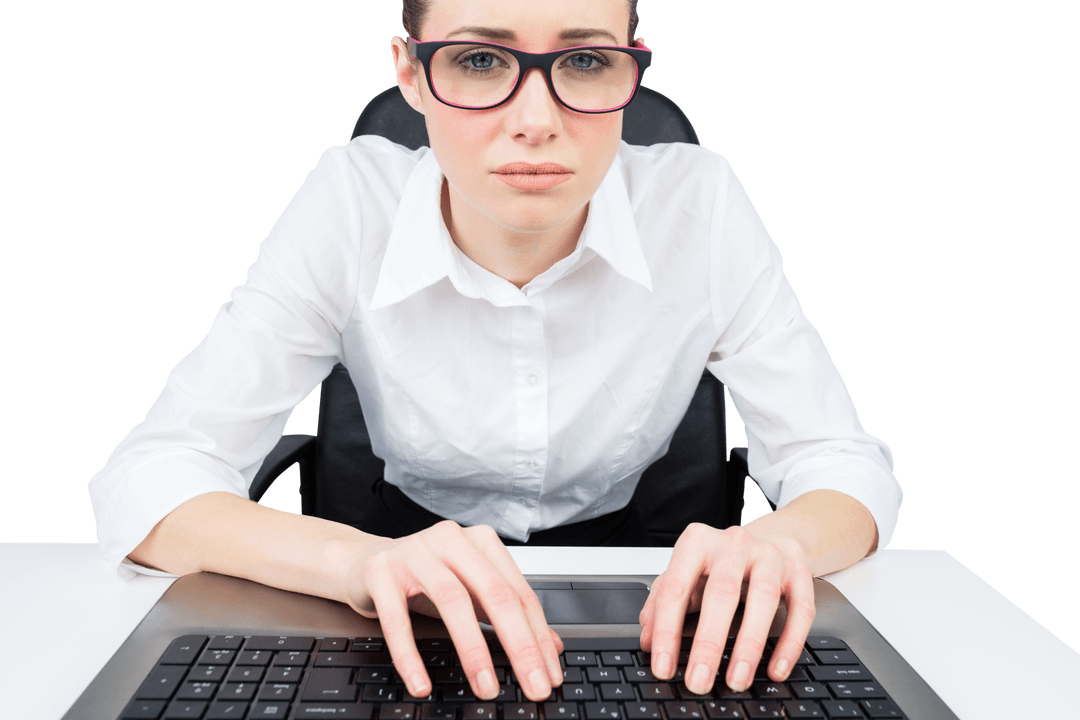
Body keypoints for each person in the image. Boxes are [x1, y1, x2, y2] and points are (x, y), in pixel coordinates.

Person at [88, 0, 902, 705]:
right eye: (480, 60)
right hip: (395, 594)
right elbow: (150, 479)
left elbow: (841, 461)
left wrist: (775, 546)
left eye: (584, 60)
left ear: (630, 73)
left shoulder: (701, 204)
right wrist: (354, 564)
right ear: (410, 72)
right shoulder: (349, 204)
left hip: (644, 600)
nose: (536, 118)